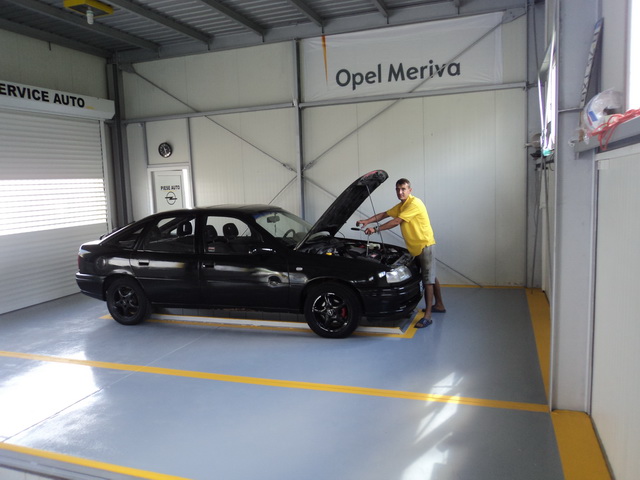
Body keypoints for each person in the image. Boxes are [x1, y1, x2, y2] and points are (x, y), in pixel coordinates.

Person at [357, 178, 445, 328]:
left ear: (410, 190)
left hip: (425, 245)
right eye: (398, 189)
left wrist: (375, 229)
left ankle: (428, 316)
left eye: (403, 189)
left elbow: (396, 221)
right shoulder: (402, 206)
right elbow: (385, 214)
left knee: (427, 280)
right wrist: (367, 221)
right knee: (431, 276)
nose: (400, 192)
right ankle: (439, 305)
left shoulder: (414, 204)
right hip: (415, 247)